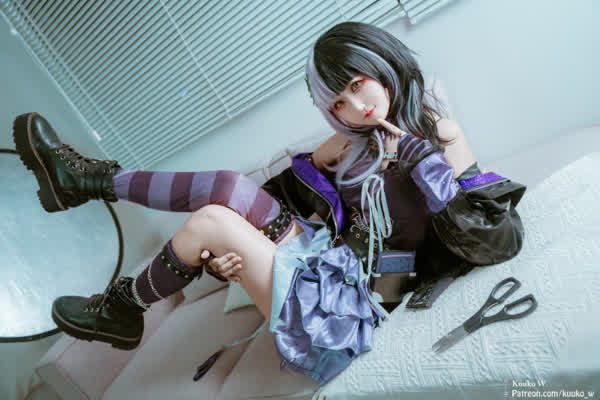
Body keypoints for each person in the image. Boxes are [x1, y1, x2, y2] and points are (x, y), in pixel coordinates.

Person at [13, 21, 525, 387]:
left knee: (211, 221)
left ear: (380, 64)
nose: (355, 107)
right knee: (224, 196)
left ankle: (120, 305)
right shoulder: (346, 149)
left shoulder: (439, 134)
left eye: (356, 84)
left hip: (355, 306)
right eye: (338, 102)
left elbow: (496, 241)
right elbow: (259, 204)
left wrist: (421, 161)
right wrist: (227, 258)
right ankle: (92, 184)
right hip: (326, 264)